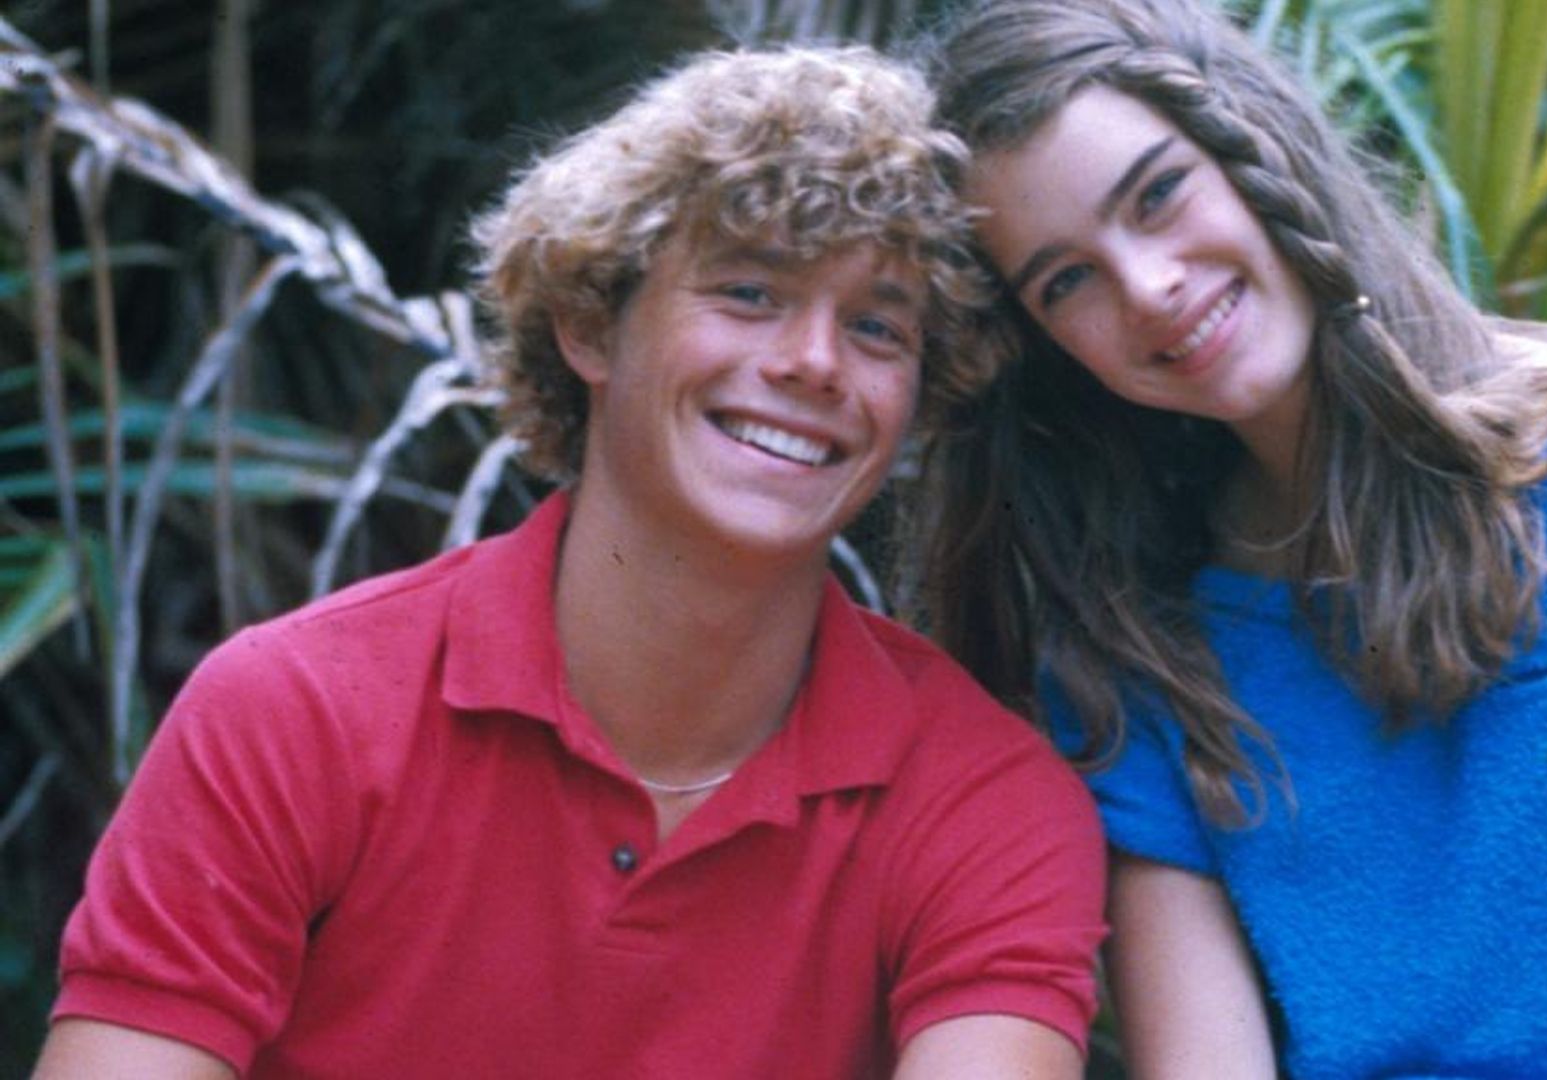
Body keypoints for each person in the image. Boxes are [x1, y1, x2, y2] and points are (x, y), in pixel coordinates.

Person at [36, 45, 1106, 1079]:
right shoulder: (292, 710)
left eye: (879, 327)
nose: (815, 362)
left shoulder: (988, 802)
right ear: (592, 327)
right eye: (749, 292)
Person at [905, 0, 1547, 1075]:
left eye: (1159, 195)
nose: (1149, 289)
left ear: (1257, 145)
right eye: (1068, 281)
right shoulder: (1143, 647)